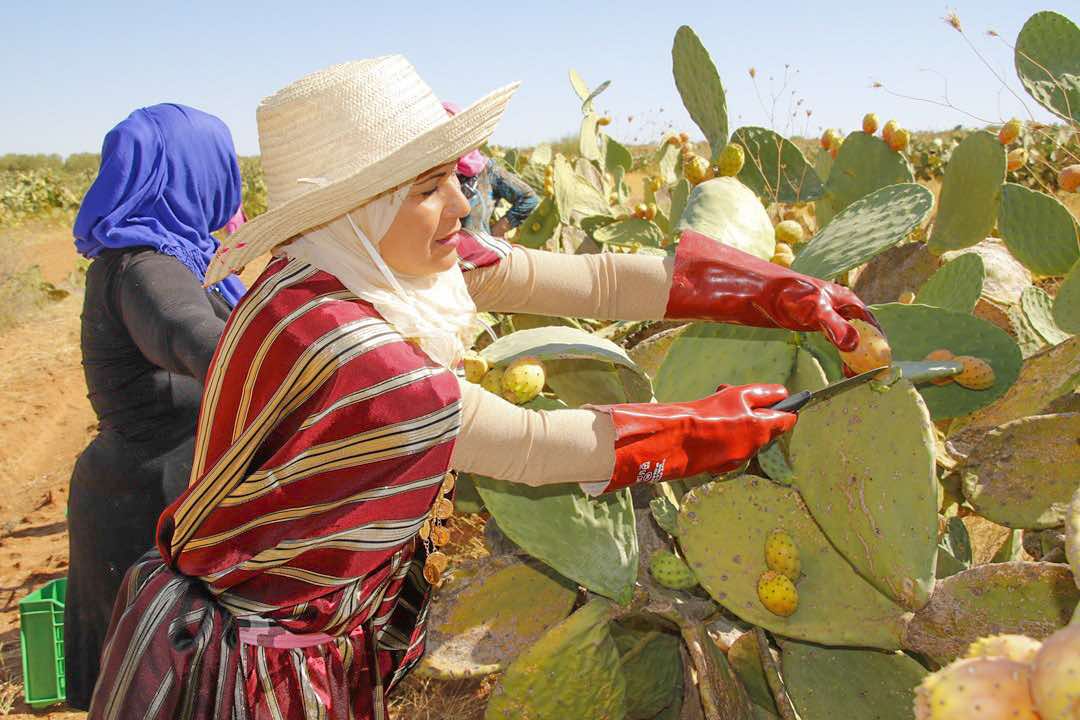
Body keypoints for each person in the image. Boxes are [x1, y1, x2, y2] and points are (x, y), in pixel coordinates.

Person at [88, 57, 878, 720]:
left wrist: (775, 289)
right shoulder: (358, 356)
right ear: (356, 208)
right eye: (429, 186)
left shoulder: (338, 265)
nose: (464, 204)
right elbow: (540, 448)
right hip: (252, 667)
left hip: (299, 613)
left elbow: (594, 278)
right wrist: (718, 427)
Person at [65, 103, 246, 710]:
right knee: (156, 691)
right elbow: (194, 337)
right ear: (194, 171)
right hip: (148, 507)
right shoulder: (147, 268)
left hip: (148, 485)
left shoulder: (165, 257)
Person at [443, 101, 539, 236]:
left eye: (452, 130)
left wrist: (497, 231)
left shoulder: (487, 171)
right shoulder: (427, 174)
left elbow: (529, 198)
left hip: (478, 254)